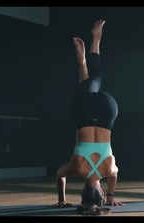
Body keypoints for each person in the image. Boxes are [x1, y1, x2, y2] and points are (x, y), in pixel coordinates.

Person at [52, 20, 124, 214]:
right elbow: (59, 175)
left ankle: (95, 41)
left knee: (95, 80)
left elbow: (115, 176)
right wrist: (62, 200)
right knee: (85, 88)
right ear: (83, 191)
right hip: (82, 112)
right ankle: (83, 60)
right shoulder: (76, 169)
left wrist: (111, 197)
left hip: (107, 110)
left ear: (100, 191)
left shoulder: (109, 169)